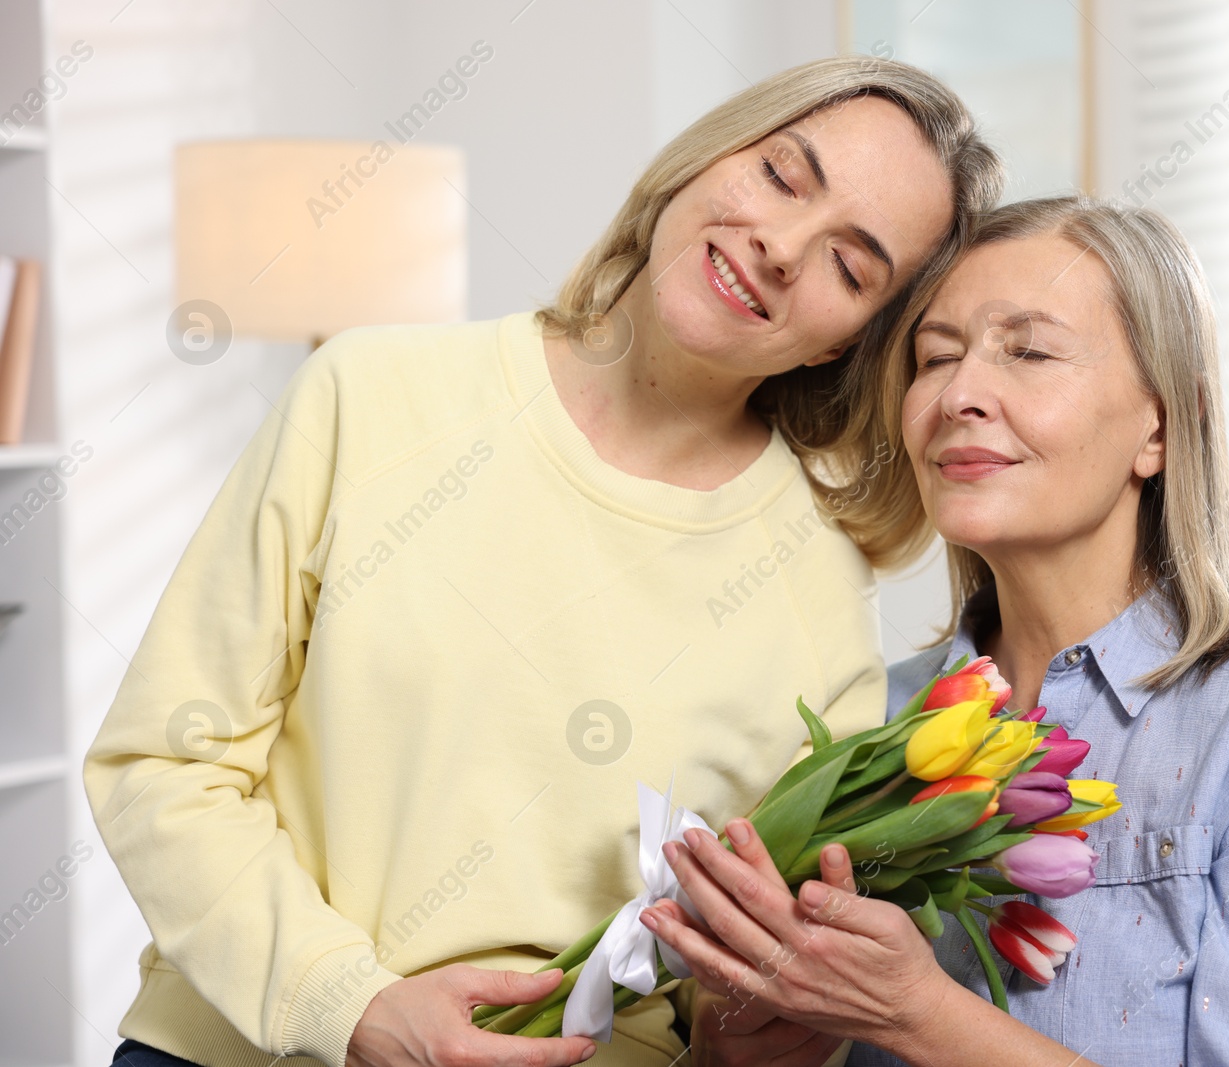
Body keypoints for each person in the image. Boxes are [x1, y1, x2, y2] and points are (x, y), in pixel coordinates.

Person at [83, 56, 1004, 1067]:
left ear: (846, 343)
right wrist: (349, 1003)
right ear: (703, 162)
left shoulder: (819, 585)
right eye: (784, 175)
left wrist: (752, 1020)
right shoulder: (368, 393)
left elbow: (730, 1004)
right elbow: (166, 763)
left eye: (851, 265)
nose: (782, 247)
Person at [640, 196, 1229, 1067]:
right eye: (936, 356)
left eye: (1027, 351)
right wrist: (744, 1037)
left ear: (1161, 425)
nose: (958, 394)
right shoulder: (877, 716)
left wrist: (920, 1013)